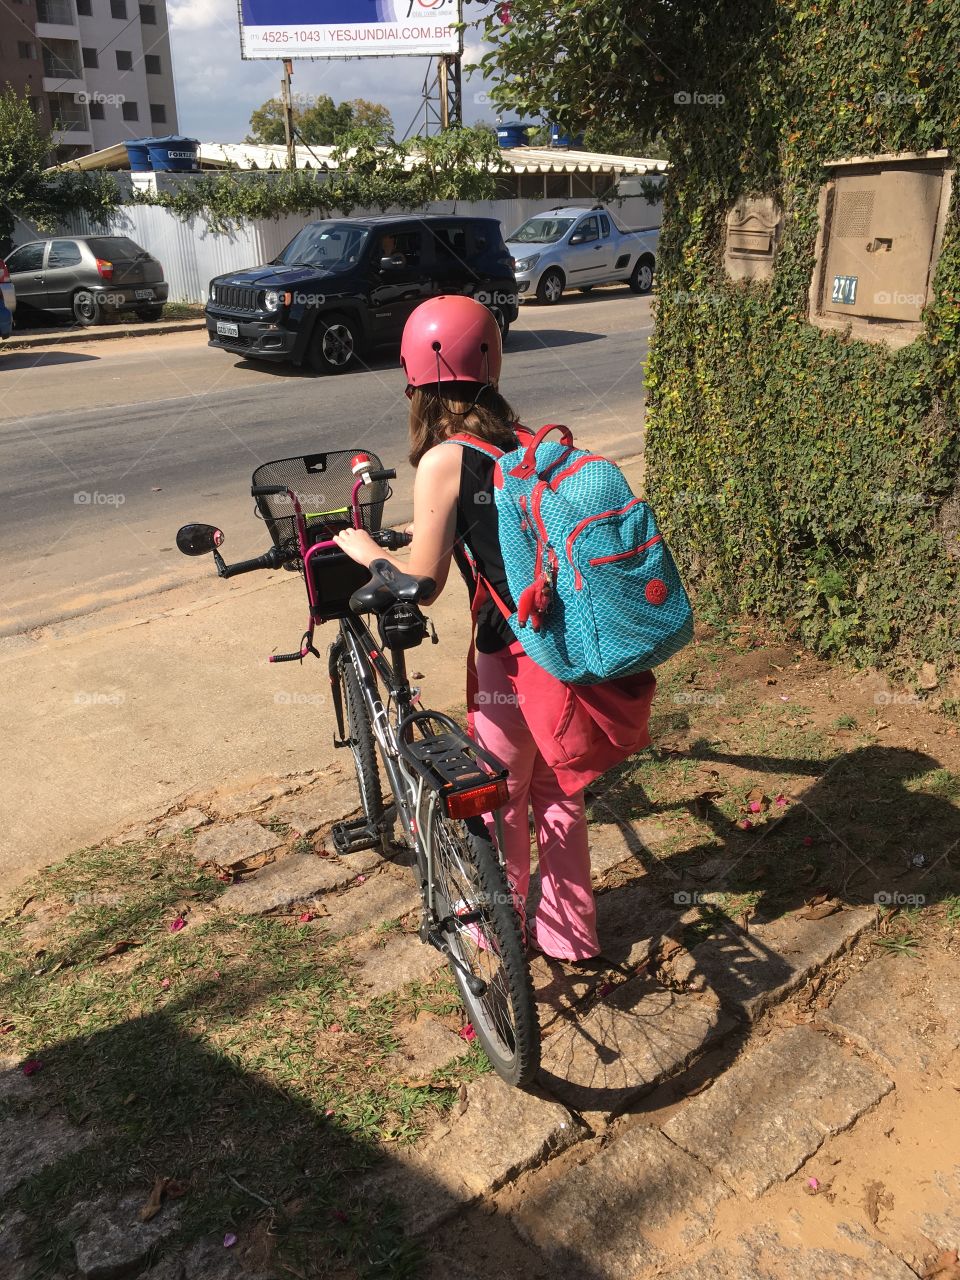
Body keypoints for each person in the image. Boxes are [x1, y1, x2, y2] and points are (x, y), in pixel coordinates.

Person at [334, 294, 654, 961]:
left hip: (511, 658)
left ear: (415, 377)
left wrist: (366, 552)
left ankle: (494, 931)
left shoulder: (445, 459)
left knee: (500, 799)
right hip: (567, 646)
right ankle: (570, 935)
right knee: (559, 792)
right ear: (492, 363)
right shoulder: (523, 439)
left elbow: (424, 584)